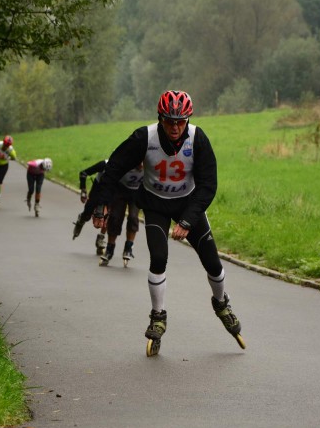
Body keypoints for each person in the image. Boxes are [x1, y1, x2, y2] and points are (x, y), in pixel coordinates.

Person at [90, 90, 245, 356]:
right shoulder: (143, 137)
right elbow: (114, 167)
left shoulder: (197, 139)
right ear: (160, 118)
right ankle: (157, 316)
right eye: (169, 121)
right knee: (158, 258)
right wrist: (101, 203)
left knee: (213, 263)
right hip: (155, 204)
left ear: (188, 119)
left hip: (188, 203)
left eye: (180, 121)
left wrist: (188, 220)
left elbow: (209, 185)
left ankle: (221, 304)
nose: (175, 127)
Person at [73, 160, 143, 266]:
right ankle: (81, 220)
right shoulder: (106, 164)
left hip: (119, 189)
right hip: (100, 188)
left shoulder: (146, 165)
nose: (141, 166)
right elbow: (84, 173)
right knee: (91, 212)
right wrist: (83, 191)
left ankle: (102, 238)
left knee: (113, 214)